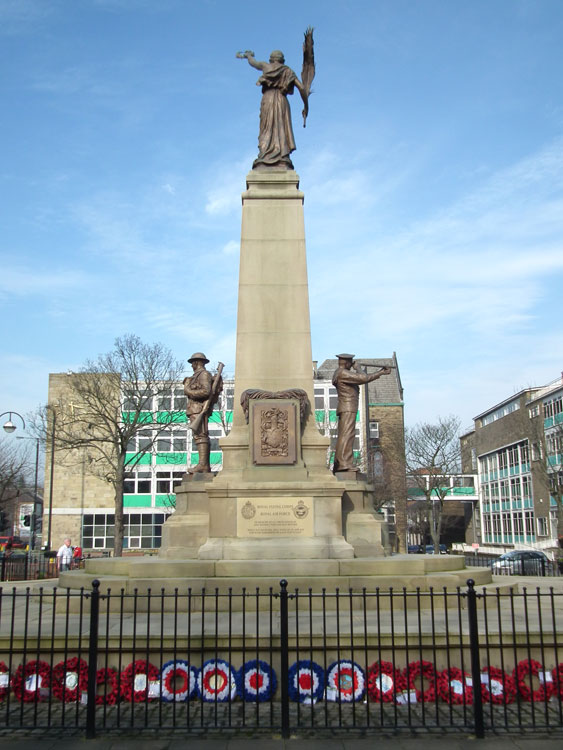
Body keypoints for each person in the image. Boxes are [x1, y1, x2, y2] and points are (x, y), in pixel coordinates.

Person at [237, 49, 309, 170]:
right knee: (280, 127)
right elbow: (302, 88)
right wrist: (306, 106)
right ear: (282, 60)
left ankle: (265, 154)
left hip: (268, 99)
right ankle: (281, 155)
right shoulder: (288, 71)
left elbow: (253, 63)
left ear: (271, 59)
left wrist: (248, 56)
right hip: (281, 101)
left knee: (267, 127)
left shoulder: (266, 66)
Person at [332, 354, 391, 474]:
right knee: (347, 435)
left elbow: (362, 378)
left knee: (346, 434)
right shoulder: (342, 373)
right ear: (347, 363)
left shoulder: (341, 373)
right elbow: (363, 378)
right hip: (348, 407)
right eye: (351, 362)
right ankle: (344, 464)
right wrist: (358, 368)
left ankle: (341, 463)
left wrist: (380, 373)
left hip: (347, 407)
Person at [183, 353, 222, 474]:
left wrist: (188, 390)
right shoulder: (196, 376)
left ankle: (203, 465)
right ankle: (202, 464)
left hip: (198, 409)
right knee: (198, 436)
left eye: (192, 363)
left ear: (196, 363)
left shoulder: (204, 374)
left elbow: (206, 391)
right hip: (194, 409)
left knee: (201, 436)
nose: (192, 366)